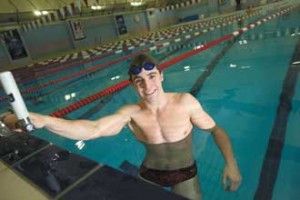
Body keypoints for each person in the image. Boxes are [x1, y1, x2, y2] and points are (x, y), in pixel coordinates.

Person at [2, 54, 241, 199]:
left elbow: (216, 130)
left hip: (185, 173)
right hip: (150, 174)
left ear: (162, 75)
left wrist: (231, 164)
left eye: (152, 76)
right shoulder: (131, 113)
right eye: (139, 81)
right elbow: (93, 129)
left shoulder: (185, 103)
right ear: (132, 85)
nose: (147, 85)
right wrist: (42, 120)